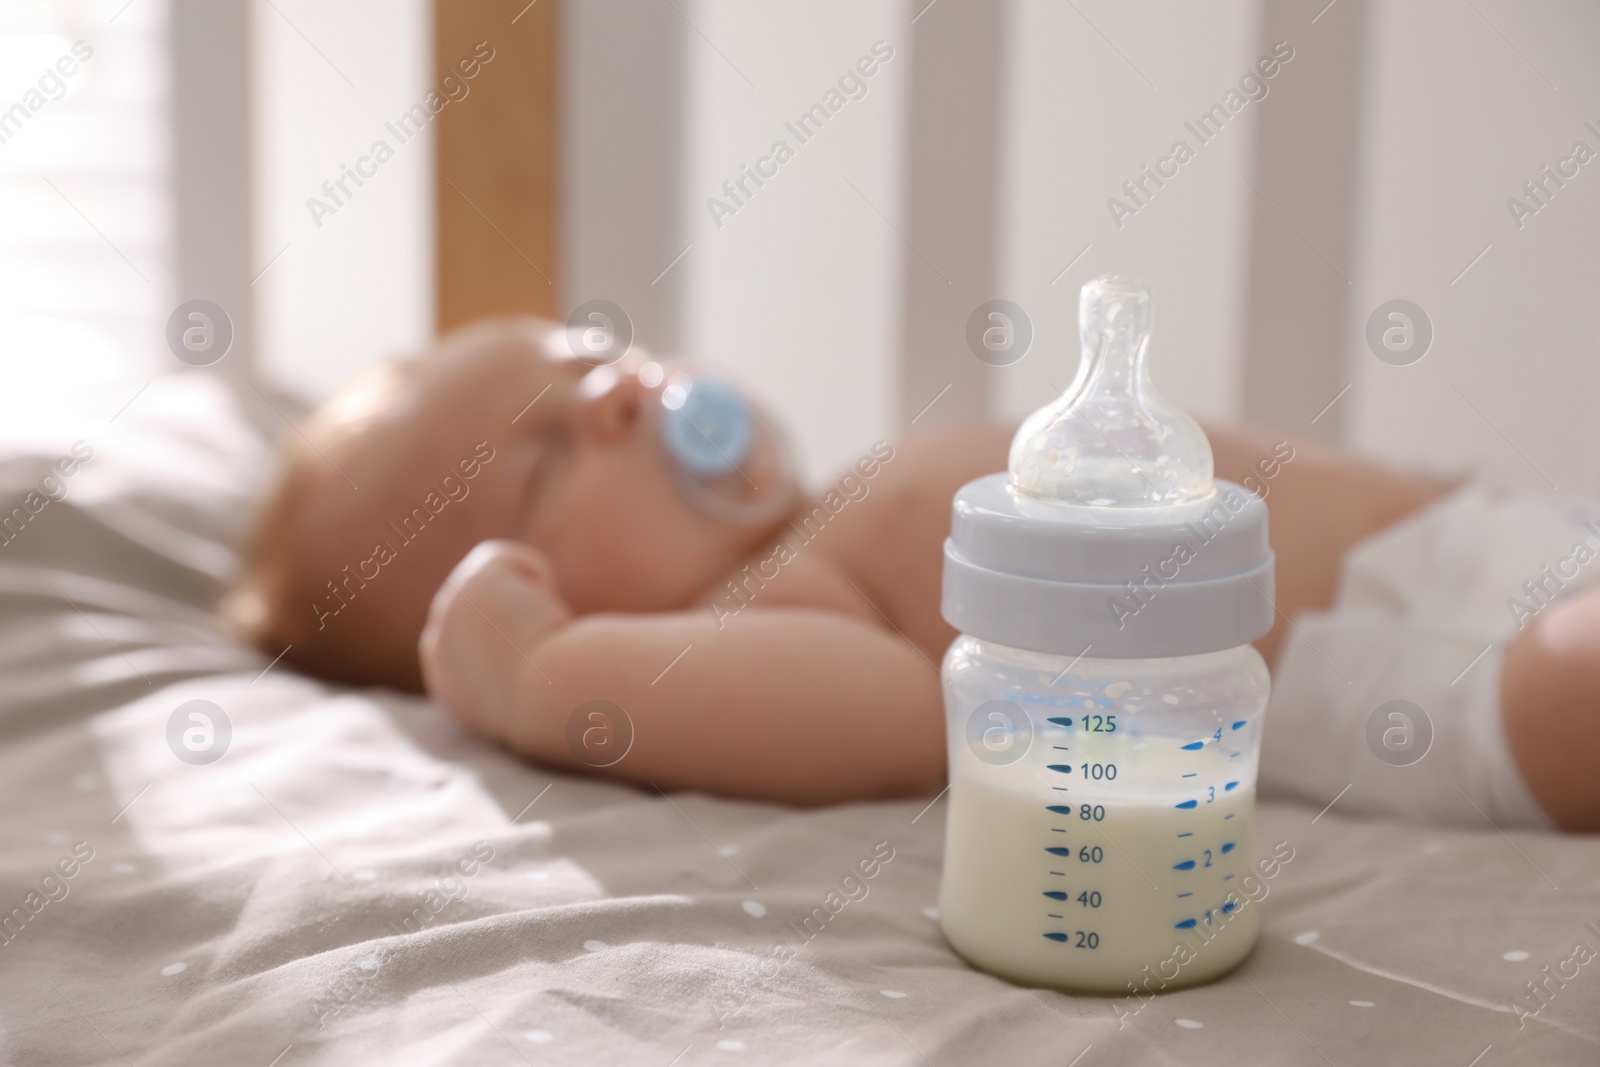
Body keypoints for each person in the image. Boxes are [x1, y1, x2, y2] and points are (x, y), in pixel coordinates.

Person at [226, 318, 1596, 830]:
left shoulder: (842, 506)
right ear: (544, 596)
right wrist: (535, 679)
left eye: (598, 359)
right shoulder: (774, 601)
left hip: (1492, 551)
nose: (622, 401)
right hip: (1438, 673)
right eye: (538, 465)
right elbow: (890, 719)